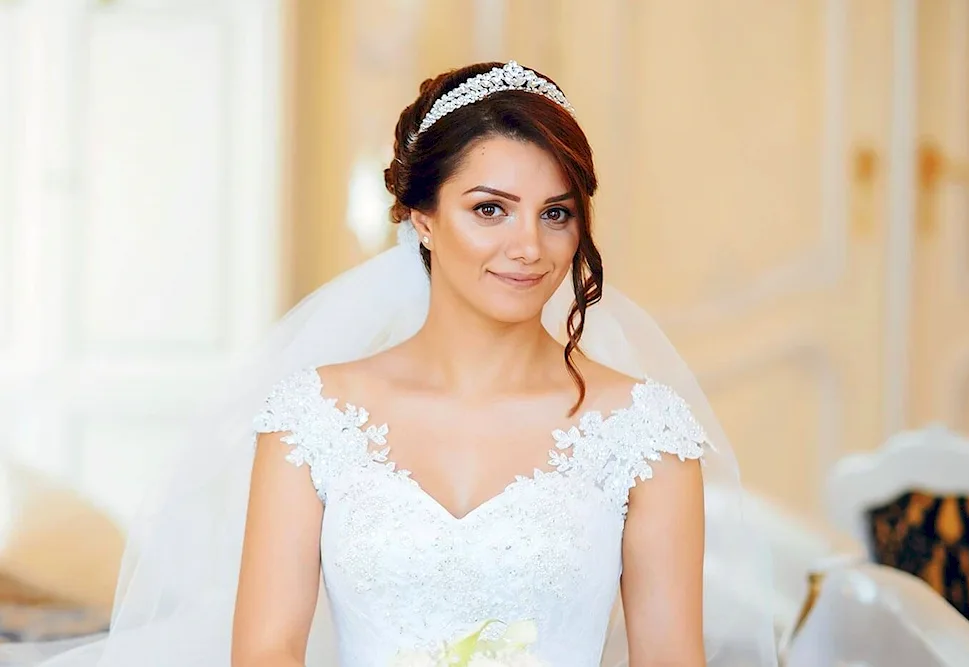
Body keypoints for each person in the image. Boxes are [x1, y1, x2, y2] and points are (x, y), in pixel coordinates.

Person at [0, 61, 776, 667]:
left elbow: (672, 657)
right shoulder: (313, 418)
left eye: (557, 213)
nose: (529, 247)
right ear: (421, 218)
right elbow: (266, 649)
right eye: (489, 208)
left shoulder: (646, 432)